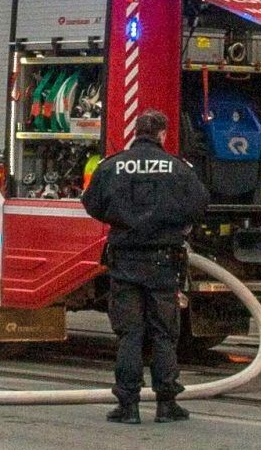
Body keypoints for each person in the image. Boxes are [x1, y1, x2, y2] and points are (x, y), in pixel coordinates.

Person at [83, 107, 209, 424]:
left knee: (129, 335)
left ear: (135, 132)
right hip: (164, 262)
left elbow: (92, 203)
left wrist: (124, 222)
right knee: (164, 334)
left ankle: (128, 407)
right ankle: (167, 405)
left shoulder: (112, 166)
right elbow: (199, 205)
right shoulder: (178, 169)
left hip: (124, 261)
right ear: (162, 135)